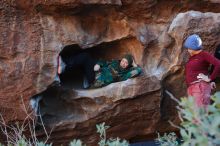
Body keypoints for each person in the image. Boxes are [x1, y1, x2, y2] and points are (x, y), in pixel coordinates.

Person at [57, 52, 142, 88]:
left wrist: (134, 65)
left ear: (128, 65)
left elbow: (138, 71)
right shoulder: (115, 63)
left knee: (86, 57)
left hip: (95, 80)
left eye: (126, 63)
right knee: (87, 59)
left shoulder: (124, 74)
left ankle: (65, 65)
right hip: (97, 71)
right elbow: (104, 62)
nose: (123, 63)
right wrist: (99, 64)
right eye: (123, 60)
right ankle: (65, 66)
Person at [184, 34, 220, 108]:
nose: (187, 50)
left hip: (200, 88)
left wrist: (210, 78)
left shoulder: (204, 55)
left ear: (192, 47)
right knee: (194, 117)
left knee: (200, 116)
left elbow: (218, 64)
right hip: (192, 88)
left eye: (188, 48)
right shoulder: (192, 57)